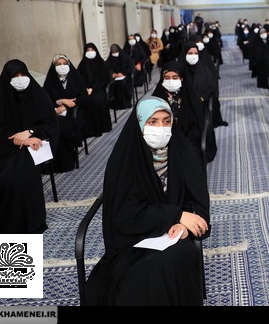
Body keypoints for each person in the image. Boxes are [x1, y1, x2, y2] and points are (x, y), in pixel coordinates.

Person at [85, 97, 210, 306]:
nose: (161, 128)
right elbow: (124, 215)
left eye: (166, 121)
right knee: (145, 273)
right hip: (132, 240)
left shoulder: (184, 153)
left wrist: (185, 225)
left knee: (173, 260)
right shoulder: (125, 159)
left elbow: (199, 204)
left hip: (174, 236)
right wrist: (176, 215)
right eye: (152, 122)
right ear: (140, 124)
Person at [0, 59, 59, 233]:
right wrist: (18, 139)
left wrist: (30, 133)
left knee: (15, 178)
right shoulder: (0, 99)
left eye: (23, 74)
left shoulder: (38, 95)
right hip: (2, 147)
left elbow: (50, 124)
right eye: (15, 76)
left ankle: (21, 222)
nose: (20, 79)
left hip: (32, 147)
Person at [152, 60, 214, 166]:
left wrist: (181, 141)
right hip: (163, 142)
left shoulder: (190, 99)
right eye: (167, 78)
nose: (171, 81)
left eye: (175, 77)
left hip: (187, 140)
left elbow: (197, 127)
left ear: (181, 78)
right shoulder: (157, 99)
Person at [42, 54, 86, 173]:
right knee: (47, 129)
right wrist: (61, 101)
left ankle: (66, 162)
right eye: (58, 64)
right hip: (54, 112)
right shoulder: (51, 81)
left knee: (62, 129)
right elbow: (46, 99)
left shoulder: (76, 78)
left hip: (74, 112)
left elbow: (83, 97)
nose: (62, 66)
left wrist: (66, 105)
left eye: (64, 64)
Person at [76, 43, 113, 138]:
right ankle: (90, 129)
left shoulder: (102, 64)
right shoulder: (82, 65)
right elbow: (78, 80)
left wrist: (93, 88)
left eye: (92, 50)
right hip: (86, 90)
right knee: (84, 102)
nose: (90, 52)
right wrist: (85, 89)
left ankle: (101, 126)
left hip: (99, 89)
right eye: (88, 50)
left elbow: (105, 80)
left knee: (97, 101)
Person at [106, 43, 134, 110]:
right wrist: (112, 73)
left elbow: (130, 67)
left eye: (116, 52)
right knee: (113, 84)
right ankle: (116, 103)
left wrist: (123, 73)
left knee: (123, 84)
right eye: (113, 52)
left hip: (125, 76)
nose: (114, 54)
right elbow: (107, 68)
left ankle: (125, 103)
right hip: (115, 78)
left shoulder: (125, 57)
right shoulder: (110, 58)